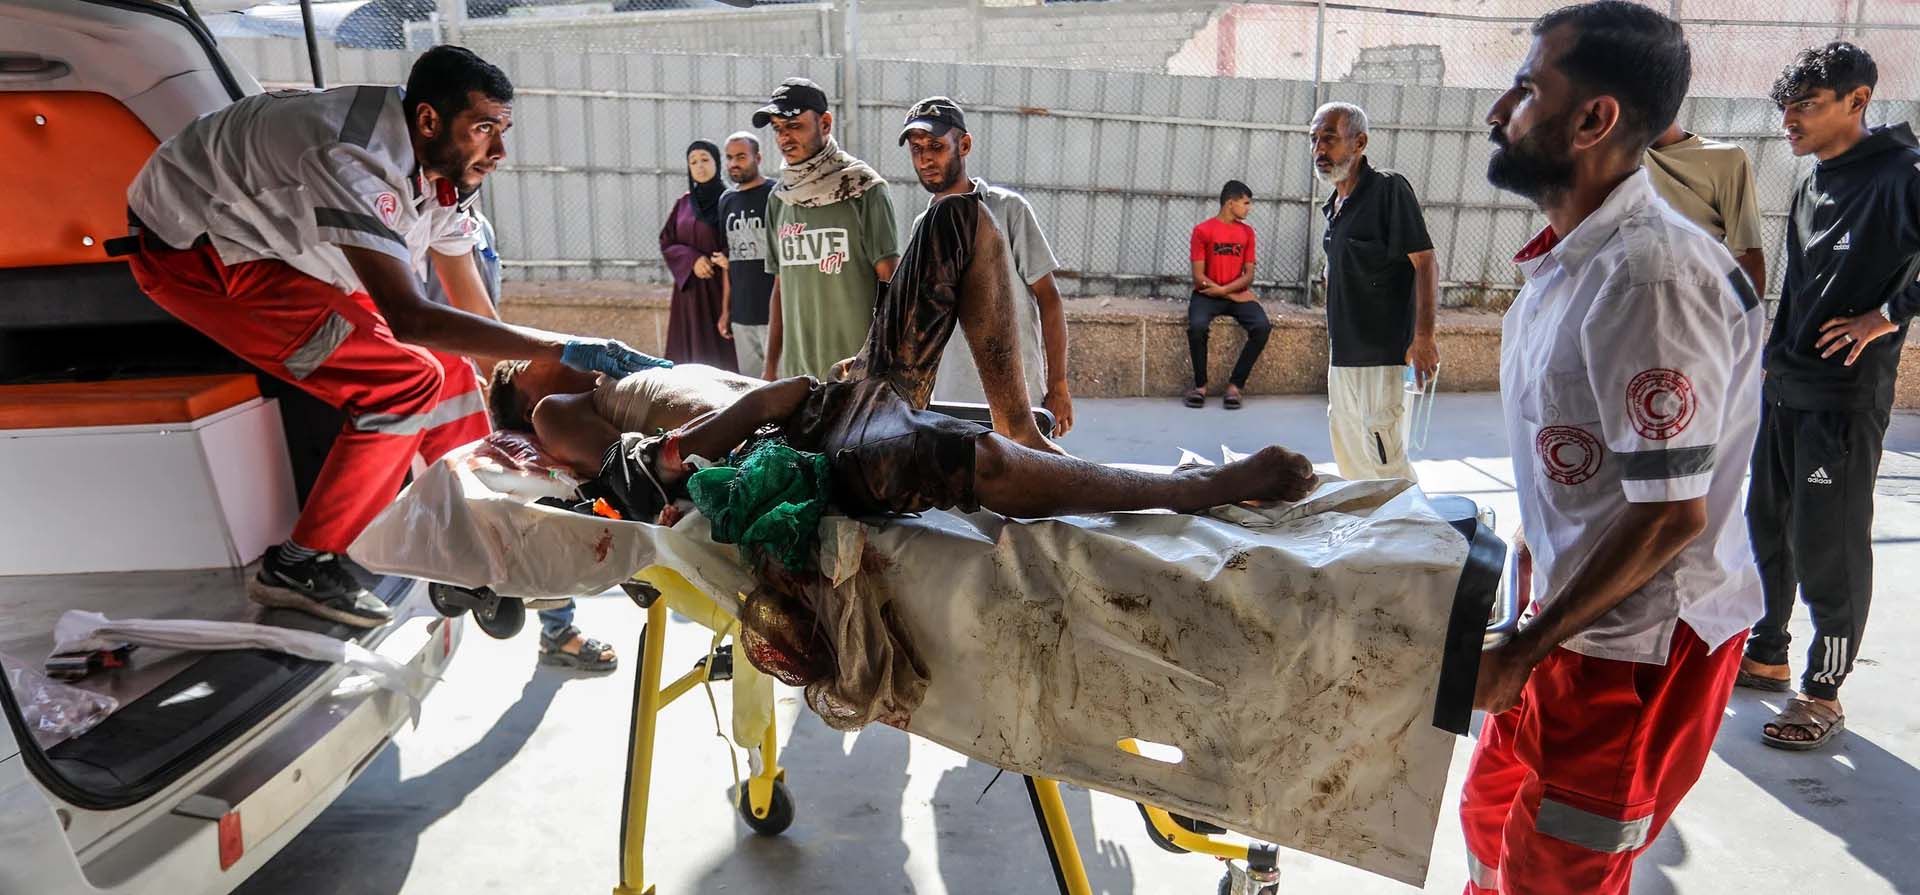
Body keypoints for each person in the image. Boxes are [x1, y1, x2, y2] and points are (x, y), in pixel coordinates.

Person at [120, 45, 668, 629]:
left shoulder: (444, 166)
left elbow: (471, 314)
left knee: (451, 370)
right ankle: (298, 566)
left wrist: (512, 386)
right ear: (429, 119)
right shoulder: (354, 155)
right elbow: (412, 318)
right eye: (484, 128)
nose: (501, 151)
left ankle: (481, 524)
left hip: (286, 248)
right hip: (198, 248)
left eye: (503, 129)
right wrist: (564, 348)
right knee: (403, 383)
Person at [1461, 5, 1764, 893]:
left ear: (1593, 120)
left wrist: (1524, 650)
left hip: (1635, 645)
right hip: (1564, 618)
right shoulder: (1568, 263)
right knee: (1492, 816)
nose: (1498, 110)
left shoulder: (1648, 277)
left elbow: (1671, 512)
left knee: (1562, 865)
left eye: (1525, 88)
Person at [1740, 42, 1920, 751]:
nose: (1790, 121)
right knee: (1767, 523)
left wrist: (1889, 313)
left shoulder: (1904, 174)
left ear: (1858, 100)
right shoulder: (1815, 180)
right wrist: (1770, 362)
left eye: (1806, 106)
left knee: (1829, 544)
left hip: (1845, 398)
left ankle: (1822, 691)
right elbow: (1800, 284)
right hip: (1786, 386)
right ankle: (1768, 649)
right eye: (1785, 108)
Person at [426, 214, 618, 671]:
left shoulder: (475, 226)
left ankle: (555, 626)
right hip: (445, 381)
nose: (494, 151)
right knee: (500, 500)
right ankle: (480, 585)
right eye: (483, 135)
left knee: (545, 496)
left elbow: (484, 318)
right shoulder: (429, 219)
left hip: (486, 377)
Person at [900, 96, 1076, 435]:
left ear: (963, 145)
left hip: (1017, 402)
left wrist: (1058, 386)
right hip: (948, 401)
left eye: (936, 146)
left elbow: (1049, 299)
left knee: (1025, 484)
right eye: (916, 148)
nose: (924, 159)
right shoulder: (923, 227)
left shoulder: (1008, 210)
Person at [1310, 101, 1439, 481]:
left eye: (1329, 139)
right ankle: (1366, 535)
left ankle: (1414, 535)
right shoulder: (1334, 206)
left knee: (1386, 461)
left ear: (1359, 142)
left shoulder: (1388, 190)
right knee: (1350, 457)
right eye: (1314, 139)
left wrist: (1424, 337)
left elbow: (1426, 262)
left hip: (1383, 356)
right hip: (1343, 354)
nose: (1319, 149)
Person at [754, 78, 901, 381]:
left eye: (794, 126)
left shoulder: (864, 189)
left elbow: (891, 285)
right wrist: (770, 369)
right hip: (798, 379)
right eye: (778, 129)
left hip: (856, 376)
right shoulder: (779, 198)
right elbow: (780, 288)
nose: (784, 138)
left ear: (825, 123)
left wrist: (886, 369)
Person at [1645, 122, 1768, 294]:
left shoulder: (1726, 159)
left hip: (1693, 293)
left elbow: (1748, 251)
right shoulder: (1614, 156)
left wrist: (1751, 317)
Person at [1184, 181, 1270, 410]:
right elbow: (1198, 276)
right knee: (1197, 327)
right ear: (1230, 203)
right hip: (1206, 294)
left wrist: (1225, 292)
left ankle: (1235, 386)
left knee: (1262, 326)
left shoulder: (1247, 233)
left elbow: (1249, 275)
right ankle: (1200, 386)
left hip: (1235, 293)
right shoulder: (1203, 231)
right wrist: (1218, 291)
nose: (1249, 208)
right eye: (1246, 203)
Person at [660, 140, 737, 370]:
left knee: (720, 354)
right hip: (689, 291)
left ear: (717, 162)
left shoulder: (730, 200)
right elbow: (667, 240)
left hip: (720, 289)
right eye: (693, 162)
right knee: (688, 357)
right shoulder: (683, 203)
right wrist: (691, 259)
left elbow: (738, 239)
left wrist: (724, 256)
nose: (699, 166)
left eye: (705, 159)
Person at [717, 132, 777, 377]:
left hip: (774, 313)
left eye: (741, 156)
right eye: (729, 158)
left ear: (758, 158)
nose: (734, 163)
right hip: (742, 315)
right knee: (750, 387)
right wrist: (726, 310)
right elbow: (728, 261)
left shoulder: (777, 194)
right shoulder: (727, 200)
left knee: (782, 384)